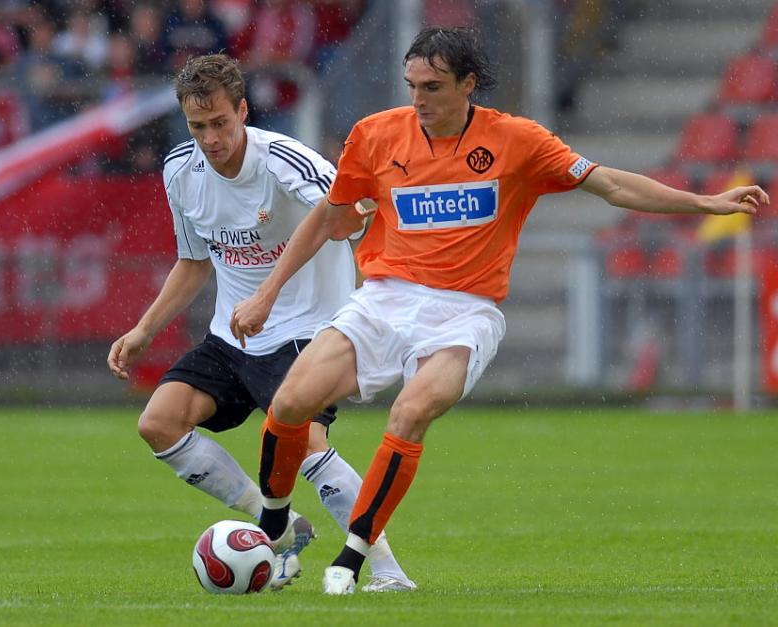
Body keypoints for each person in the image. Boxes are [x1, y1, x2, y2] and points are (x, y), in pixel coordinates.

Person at [228, 26, 770, 595]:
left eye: (432, 87)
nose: (418, 100)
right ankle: (274, 525)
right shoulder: (375, 135)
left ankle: (352, 559)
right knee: (289, 403)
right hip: (385, 298)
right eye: (411, 86)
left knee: (410, 413)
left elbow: (610, 185)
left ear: (468, 84)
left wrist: (703, 201)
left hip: (465, 312)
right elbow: (330, 216)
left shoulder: (517, 140)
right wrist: (268, 293)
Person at [106, 53, 415, 593]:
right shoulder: (180, 171)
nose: (211, 138)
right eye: (197, 126)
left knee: (307, 444)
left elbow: (342, 216)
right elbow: (193, 261)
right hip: (233, 337)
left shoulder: (285, 162)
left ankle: (388, 570)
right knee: (159, 422)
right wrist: (144, 330)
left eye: (220, 123)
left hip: (307, 332)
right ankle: (278, 527)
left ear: (243, 111)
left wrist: (269, 295)